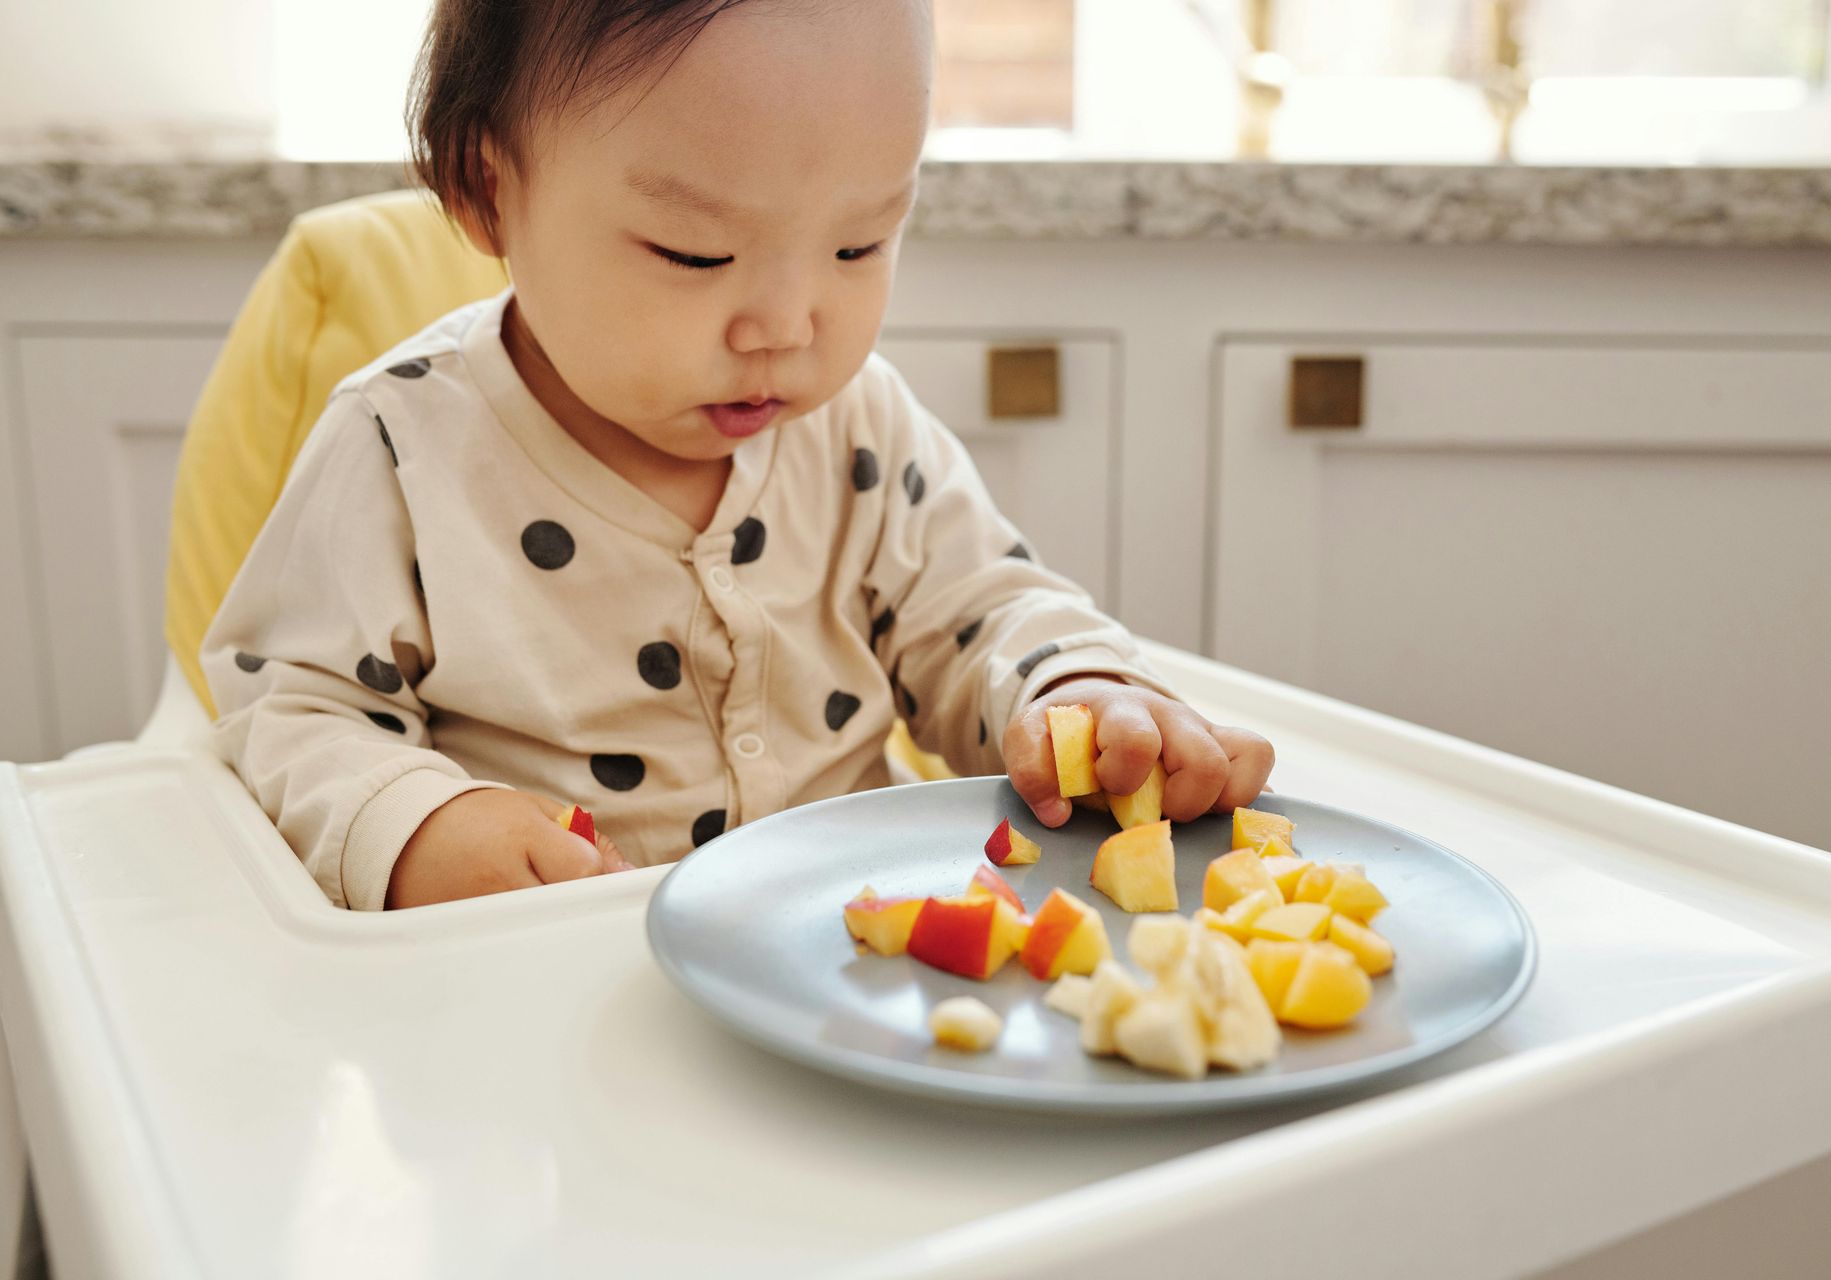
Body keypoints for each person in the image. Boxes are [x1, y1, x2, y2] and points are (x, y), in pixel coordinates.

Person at [203, 0, 1276, 910]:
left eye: (859, 243)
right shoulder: (401, 450)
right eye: (696, 252)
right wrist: (421, 825)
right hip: (543, 994)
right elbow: (292, 705)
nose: (787, 325)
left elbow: (985, 610)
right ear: (490, 191)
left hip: (849, 965)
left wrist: (1077, 689)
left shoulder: (861, 425)